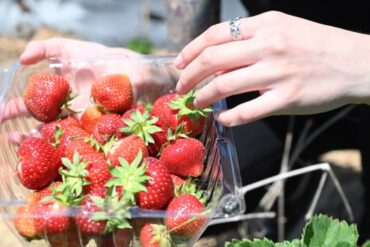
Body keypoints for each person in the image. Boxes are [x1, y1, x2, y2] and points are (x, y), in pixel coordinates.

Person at [16, 10, 370, 244]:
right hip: (280, 70)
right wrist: (167, 76)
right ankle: (297, 185)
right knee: (215, 192)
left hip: (354, 71)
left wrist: (358, 63)